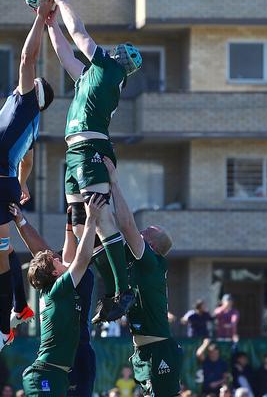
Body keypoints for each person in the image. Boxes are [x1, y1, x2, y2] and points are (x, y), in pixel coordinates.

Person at [46, 0, 142, 324]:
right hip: (76, 152)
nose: (113, 50)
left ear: (122, 63)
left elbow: (80, 32)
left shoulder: (109, 69)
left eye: (120, 51)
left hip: (91, 148)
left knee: (100, 217)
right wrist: (49, 22)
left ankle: (123, 288)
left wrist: (62, 0)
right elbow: (65, 54)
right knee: (77, 222)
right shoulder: (92, 75)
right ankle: (96, 284)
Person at [0, 0, 55, 354]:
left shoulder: (26, 101)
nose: (28, 79)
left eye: (33, 82)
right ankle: (21, 306)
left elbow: (28, 56)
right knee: (1, 253)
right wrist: (22, 186)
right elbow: (28, 160)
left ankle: (5, 327)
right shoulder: (31, 121)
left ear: (36, 94)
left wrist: (40, 16)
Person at [105, 158, 183, 397]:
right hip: (143, 351)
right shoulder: (138, 261)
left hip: (160, 348)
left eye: (145, 232)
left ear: (151, 245)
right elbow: (112, 231)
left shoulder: (152, 262)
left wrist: (114, 183)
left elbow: (127, 225)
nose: (139, 232)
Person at [18, 195, 105, 396]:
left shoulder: (56, 286)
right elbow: (80, 260)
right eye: (54, 260)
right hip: (45, 373)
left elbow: (67, 258)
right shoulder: (60, 288)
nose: (57, 257)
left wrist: (69, 225)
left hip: (54, 372)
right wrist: (91, 219)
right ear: (55, 273)